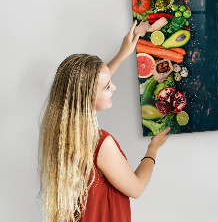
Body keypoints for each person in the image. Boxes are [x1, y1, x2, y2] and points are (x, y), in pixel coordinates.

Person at [38, 22, 170, 222]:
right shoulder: (100, 143)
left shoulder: (60, 131)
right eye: (108, 87)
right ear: (87, 97)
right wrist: (153, 149)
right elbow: (136, 188)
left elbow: (92, 85)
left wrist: (123, 53)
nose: (114, 88)